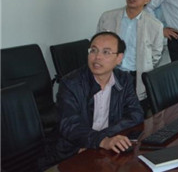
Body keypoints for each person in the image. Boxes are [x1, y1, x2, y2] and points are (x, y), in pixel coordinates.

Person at [55, 32, 144, 162]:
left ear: (119, 58)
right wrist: (101, 140)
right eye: (93, 50)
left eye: (106, 52)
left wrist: (101, 139)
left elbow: (135, 114)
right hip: (74, 149)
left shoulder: (124, 80)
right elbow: (69, 125)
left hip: (105, 147)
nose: (97, 57)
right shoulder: (70, 84)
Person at [96, 0, 163, 110]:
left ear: (147, 0)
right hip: (110, 73)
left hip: (135, 77)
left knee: (134, 113)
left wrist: (143, 65)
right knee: (107, 112)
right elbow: (98, 44)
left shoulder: (155, 25)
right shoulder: (107, 17)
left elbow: (155, 55)